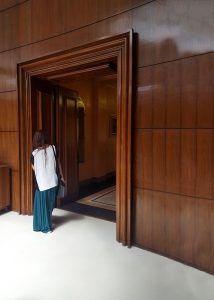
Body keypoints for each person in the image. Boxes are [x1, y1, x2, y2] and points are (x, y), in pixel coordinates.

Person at [31, 130, 64, 233]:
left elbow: (34, 169)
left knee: (41, 205)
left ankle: (43, 226)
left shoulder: (34, 154)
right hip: (53, 181)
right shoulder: (53, 148)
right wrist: (62, 177)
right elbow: (58, 164)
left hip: (41, 183)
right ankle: (46, 224)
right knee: (49, 204)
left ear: (35, 140)